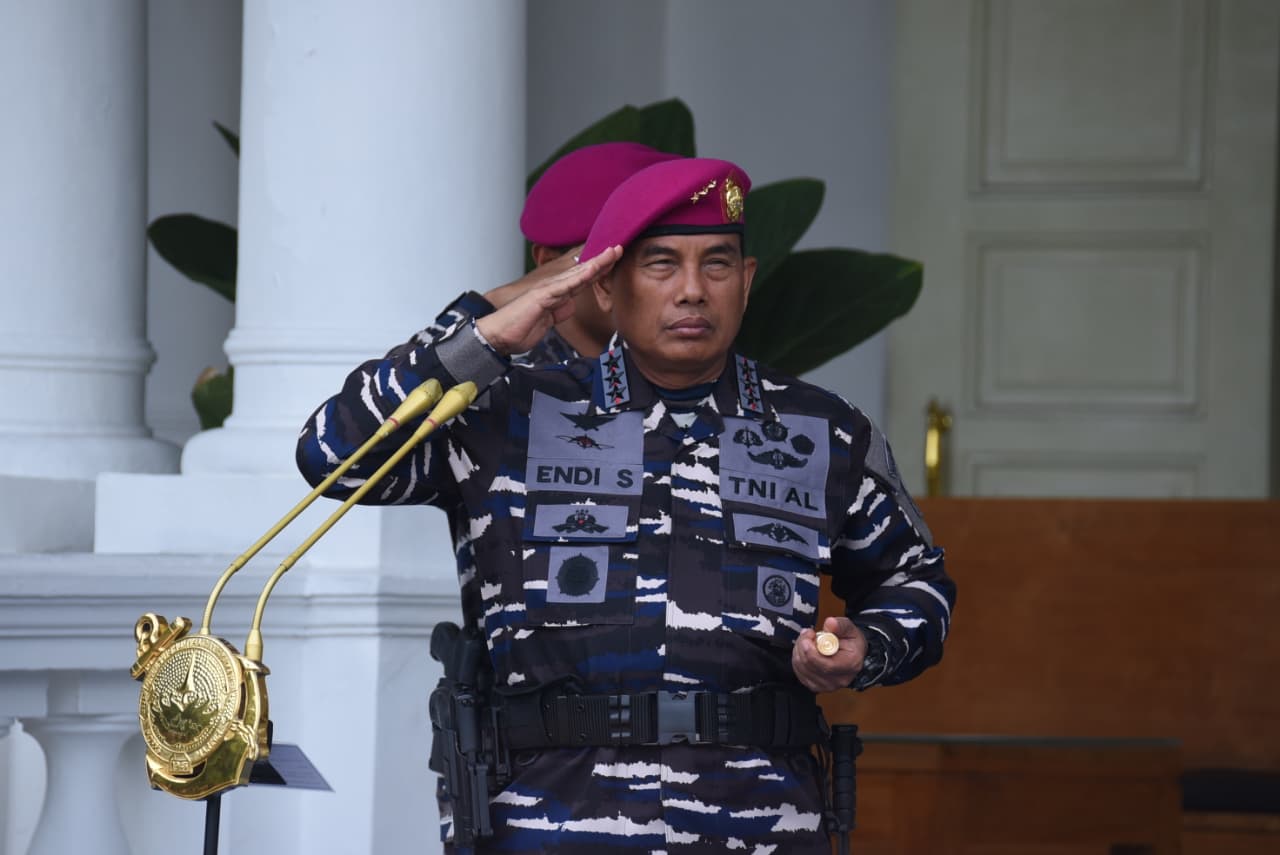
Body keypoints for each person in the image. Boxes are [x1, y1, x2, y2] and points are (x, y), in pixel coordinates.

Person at [296, 157, 956, 853]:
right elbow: (333, 455)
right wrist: (482, 335)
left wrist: (867, 648)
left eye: (717, 264)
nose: (692, 290)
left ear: (747, 280)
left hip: (760, 824)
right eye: (661, 264)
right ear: (605, 284)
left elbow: (915, 581)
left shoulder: (824, 430)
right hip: (551, 824)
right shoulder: (508, 414)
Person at [435, 141, 682, 365]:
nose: (688, 290)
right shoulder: (510, 383)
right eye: (612, 261)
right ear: (550, 265)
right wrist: (496, 301)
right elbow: (417, 389)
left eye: (666, 261)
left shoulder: (691, 373)